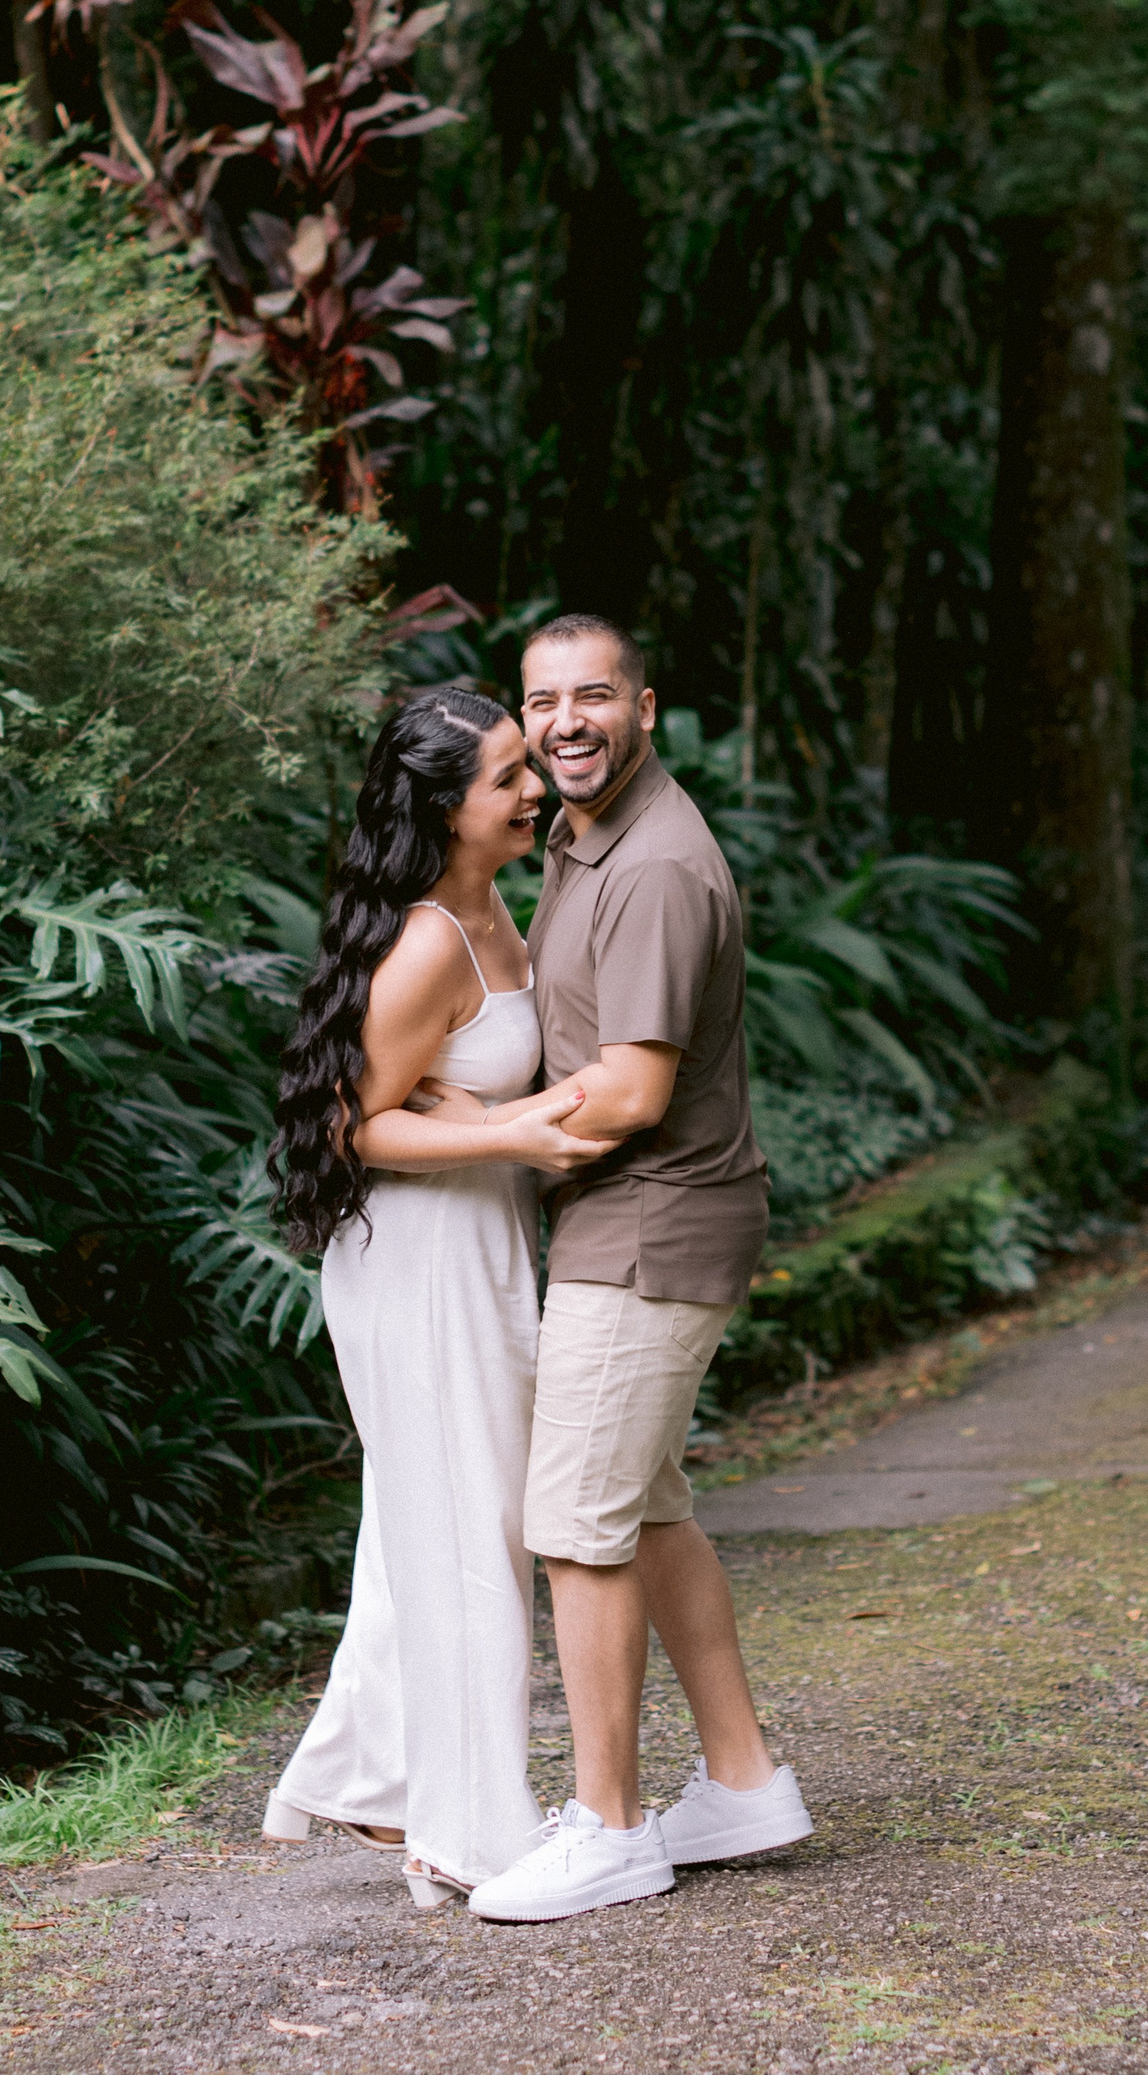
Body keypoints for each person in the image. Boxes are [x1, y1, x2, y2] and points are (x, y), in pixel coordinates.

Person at [458, 613, 814, 1923]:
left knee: (577, 1523)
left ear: (644, 707)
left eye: (594, 695)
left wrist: (466, 1132)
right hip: (630, 1221)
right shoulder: (578, 834)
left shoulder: (656, 862)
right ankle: (743, 1781)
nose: (567, 721)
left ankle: (607, 1826)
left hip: (651, 1224)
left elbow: (629, 1090)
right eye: (543, 700)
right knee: (648, 1506)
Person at [260, 686, 614, 1908]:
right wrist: (508, 1130)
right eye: (507, 775)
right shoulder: (425, 942)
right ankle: (468, 1834)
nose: (535, 787)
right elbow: (350, 1127)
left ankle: (379, 1779)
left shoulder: (496, 902)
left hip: (477, 1243)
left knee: (429, 1521)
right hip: (417, 1261)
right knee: (471, 1532)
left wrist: (488, 1116)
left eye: (526, 765)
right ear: (441, 808)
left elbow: (449, 1080)